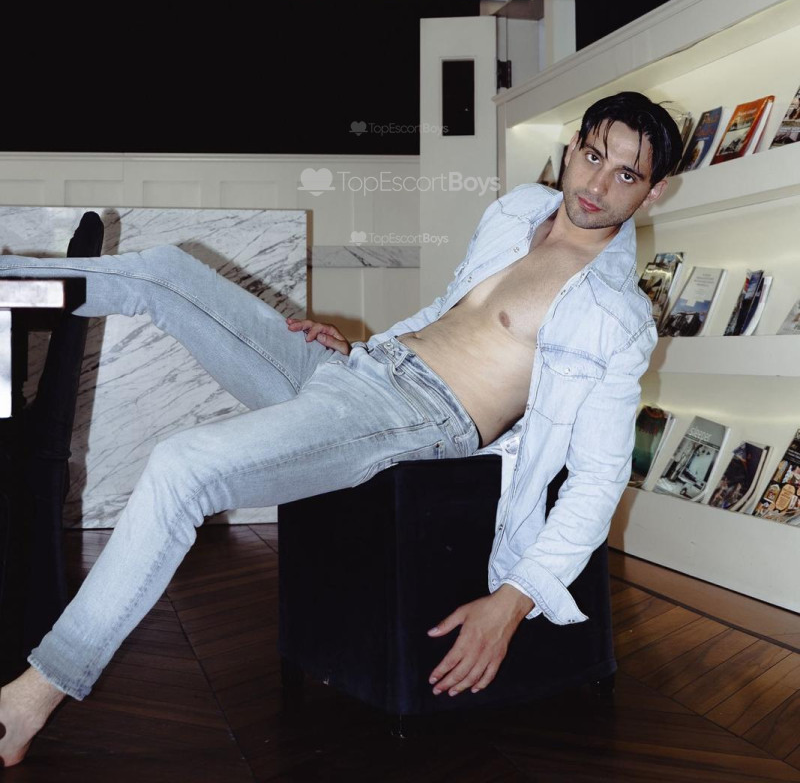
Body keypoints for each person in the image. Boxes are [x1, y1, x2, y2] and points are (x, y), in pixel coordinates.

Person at [0, 90, 681, 767]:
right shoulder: (517, 211)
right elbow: (451, 312)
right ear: (572, 148)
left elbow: (599, 477)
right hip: (361, 370)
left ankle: (32, 696)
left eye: (626, 174)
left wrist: (514, 600)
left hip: (416, 415)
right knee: (166, 273)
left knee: (184, 466)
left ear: (652, 193)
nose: (597, 185)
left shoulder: (615, 315)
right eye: (593, 156)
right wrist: (361, 344)